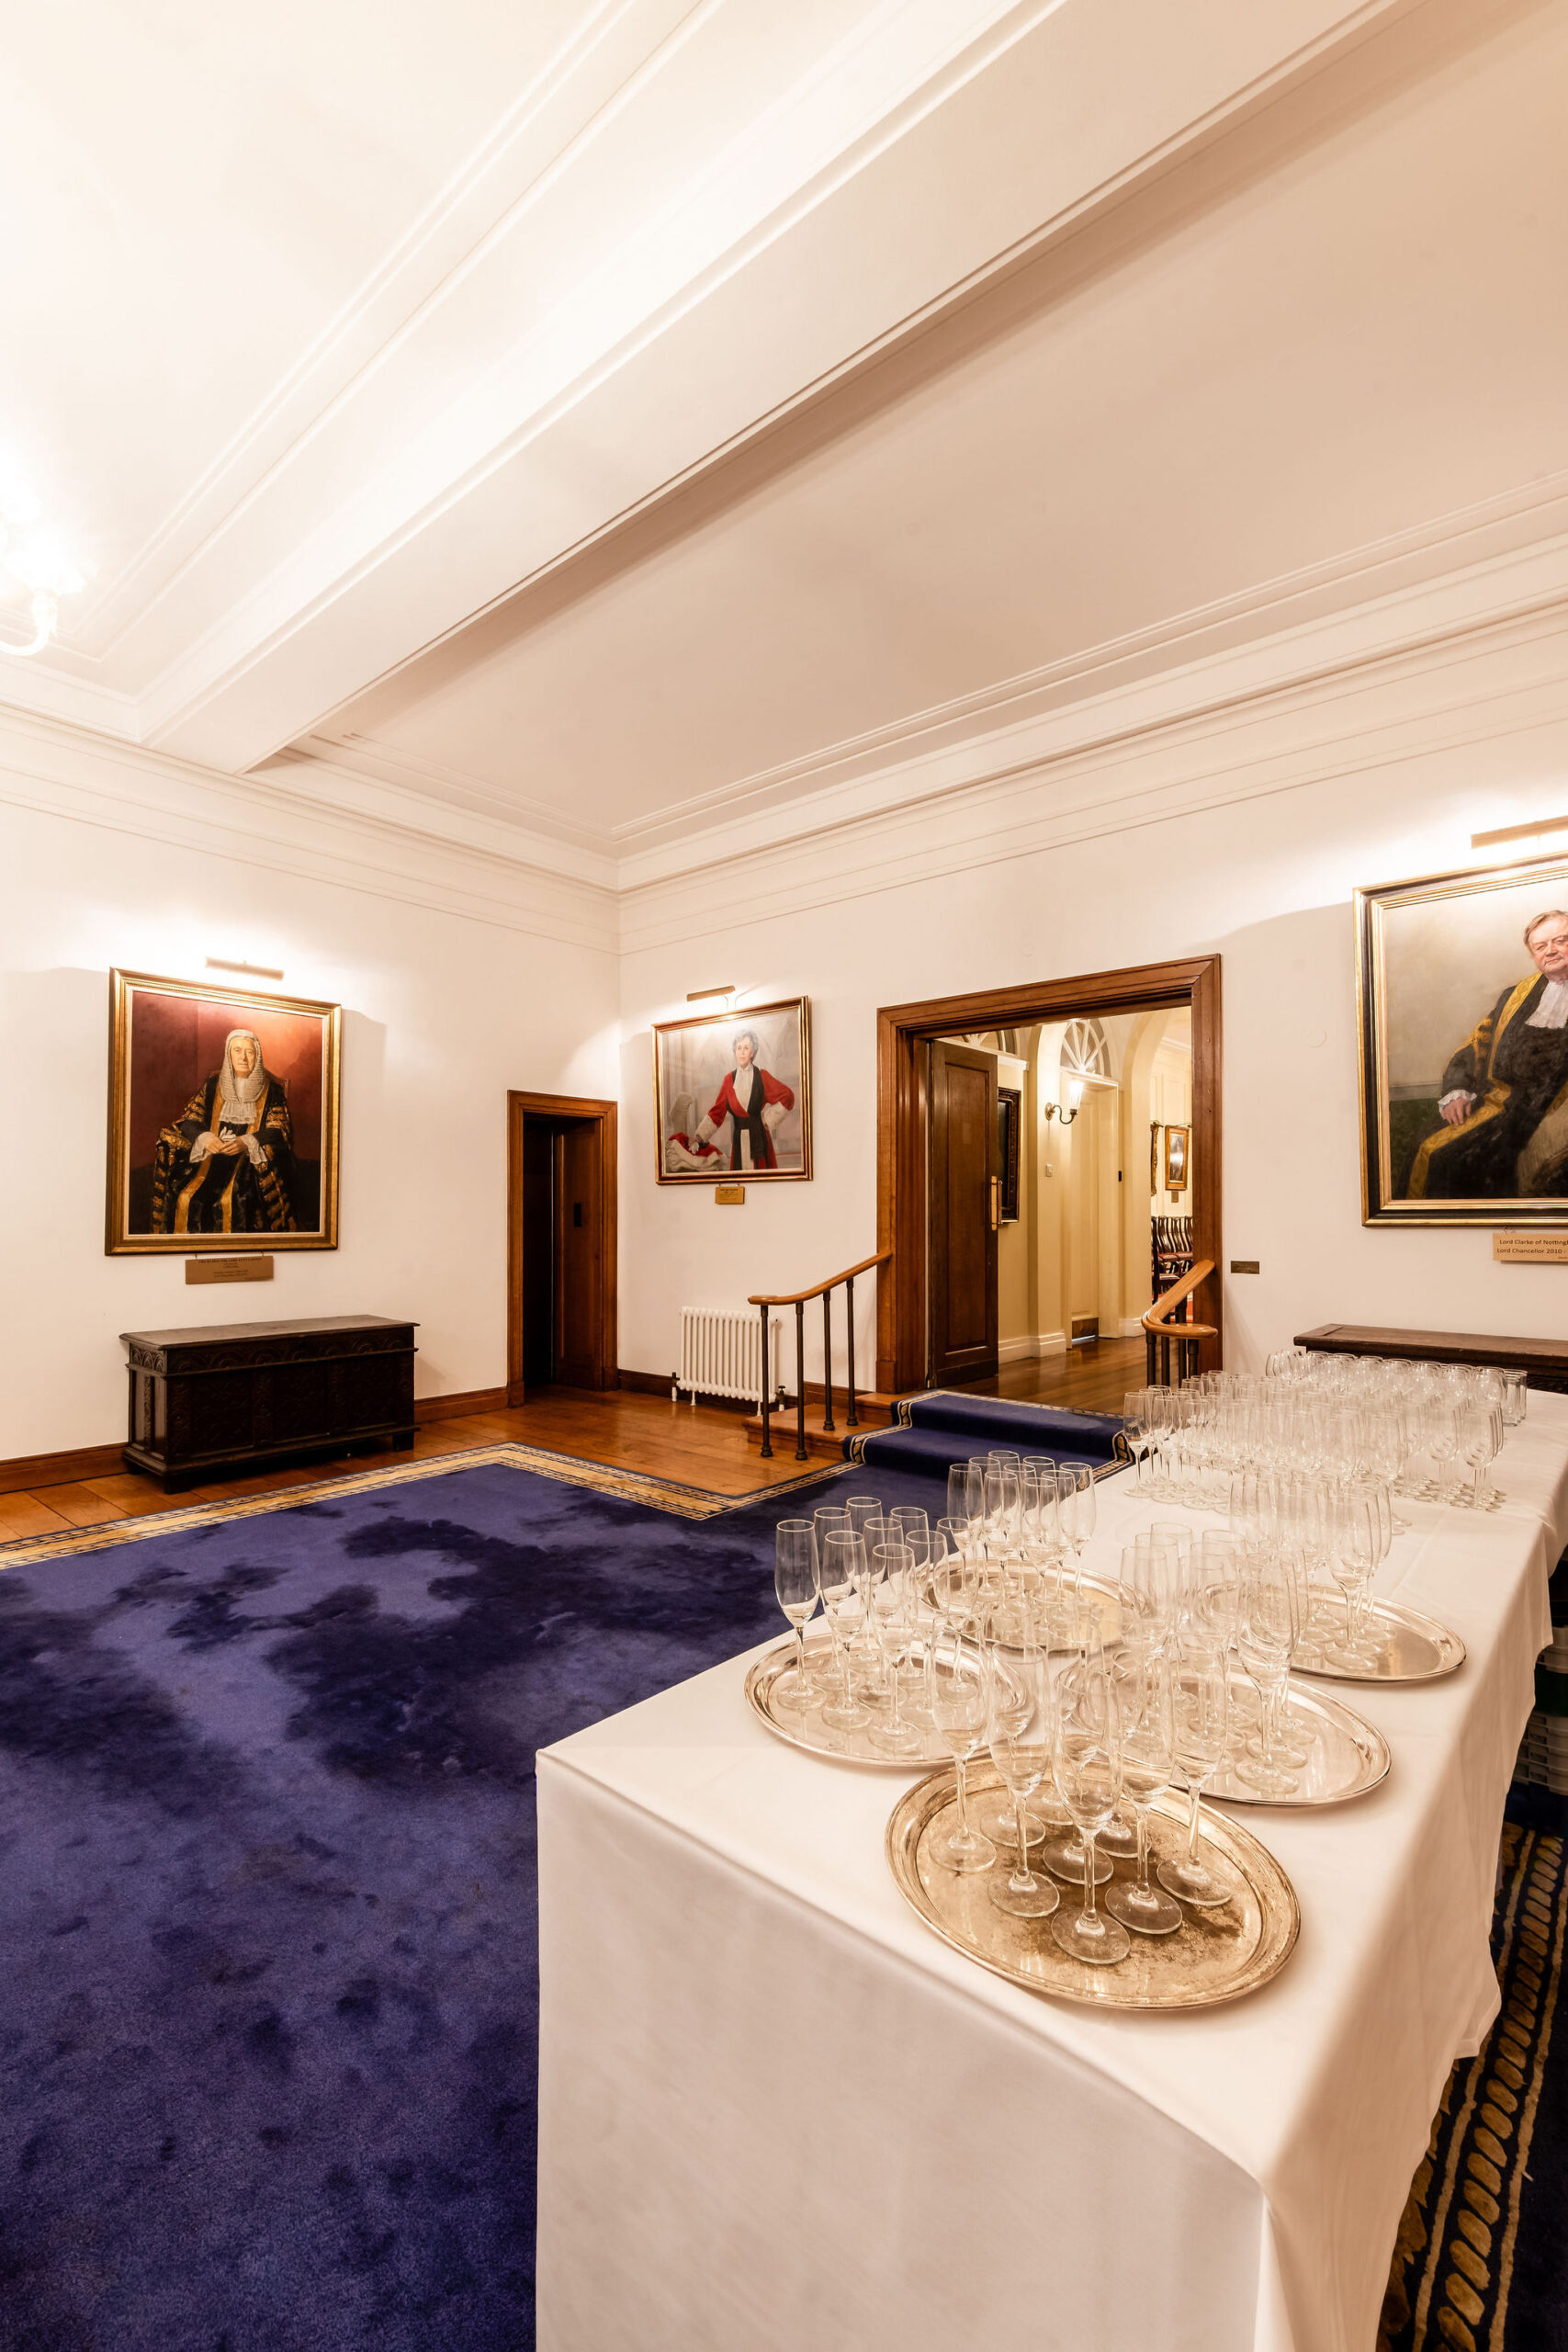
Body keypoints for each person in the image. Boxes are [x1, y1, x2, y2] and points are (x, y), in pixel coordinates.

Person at [1404, 910, 1568, 1198]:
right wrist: (1456, 1090)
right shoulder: (1514, 996)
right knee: (1427, 1146)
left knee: (1459, 1159)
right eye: (1541, 946)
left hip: (1554, 1108)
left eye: (1561, 941)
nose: (1551, 951)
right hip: (1499, 1101)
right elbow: (1477, 1043)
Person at [150, 1029, 299, 1233]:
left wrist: (246, 1142)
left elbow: (279, 1129)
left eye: (249, 1052)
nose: (243, 1057)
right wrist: (204, 1137)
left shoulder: (272, 1090)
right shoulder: (213, 1085)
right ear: (229, 1054)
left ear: (257, 1056)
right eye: (237, 1050)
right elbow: (190, 1118)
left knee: (235, 1198)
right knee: (185, 1195)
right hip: (209, 1157)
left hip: (248, 1162)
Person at [692, 1028, 795, 1173]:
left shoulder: (763, 1076)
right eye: (739, 1048)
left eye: (746, 1048)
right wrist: (699, 1137)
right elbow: (717, 1113)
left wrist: (767, 1119)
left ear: (752, 1053)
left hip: (760, 1141)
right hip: (739, 1143)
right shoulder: (728, 1080)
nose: (741, 1052)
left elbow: (788, 1097)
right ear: (735, 1051)